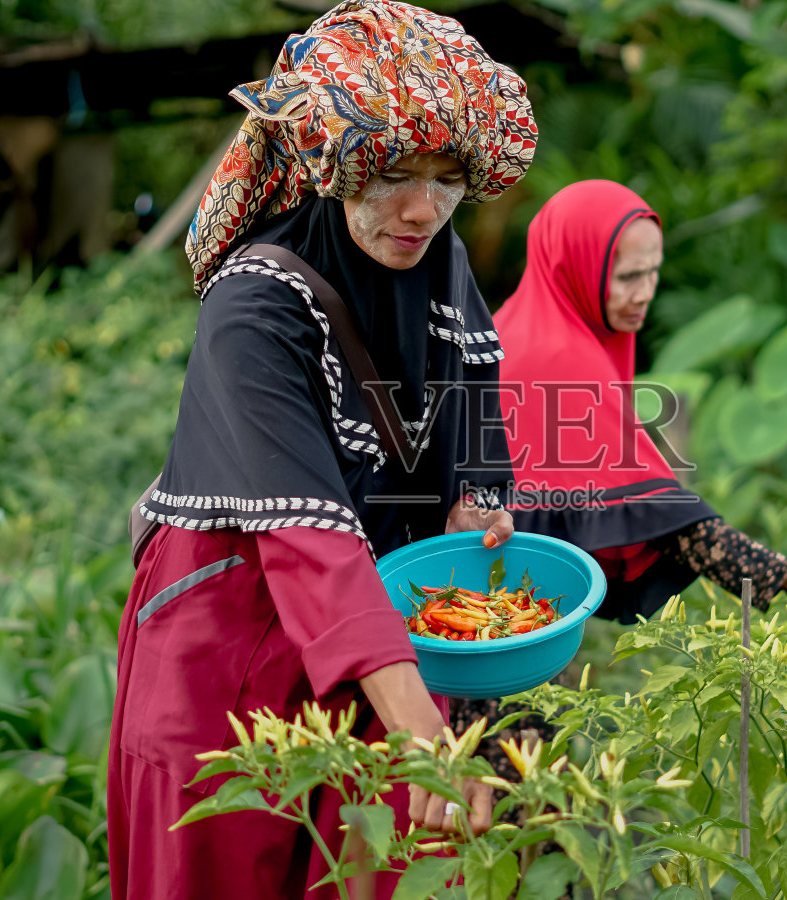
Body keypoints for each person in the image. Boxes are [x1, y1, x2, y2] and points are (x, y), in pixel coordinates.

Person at [105, 2, 536, 896]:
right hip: (228, 645)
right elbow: (311, 541)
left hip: (376, 645)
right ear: (329, 163)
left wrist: (478, 500)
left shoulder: (439, 266)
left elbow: (479, 422)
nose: (422, 208)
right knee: (219, 862)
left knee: (391, 868)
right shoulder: (256, 307)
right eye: (392, 172)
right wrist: (429, 738)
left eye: (448, 175)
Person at [450, 181, 787, 764]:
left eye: (653, 272)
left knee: (513, 816)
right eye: (627, 276)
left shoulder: (522, 327)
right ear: (573, 265)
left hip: (491, 624)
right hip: (493, 629)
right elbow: (659, 515)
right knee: (511, 812)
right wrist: (784, 578)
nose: (644, 293)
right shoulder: (555, 358)